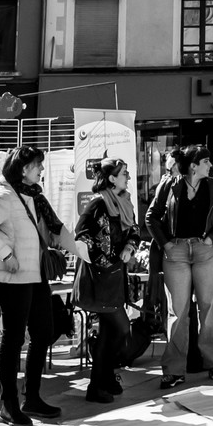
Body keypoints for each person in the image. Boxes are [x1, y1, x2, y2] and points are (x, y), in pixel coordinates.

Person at [0, 146, 78, 426]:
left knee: (43, 332)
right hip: (11, 278)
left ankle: (32, 397)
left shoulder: (32, 196)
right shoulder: (5, 196)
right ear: (22, 168)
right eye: (37, 165)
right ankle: (9, 404)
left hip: (34, 275)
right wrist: (6, 254)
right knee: (14, 338)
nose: (41, 169)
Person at [145, 145, 213, 392]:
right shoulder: (170, 185)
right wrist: (166, 244)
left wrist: (211, 237)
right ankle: (173, 371)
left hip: (205, 251)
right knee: (178, 312)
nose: (211, 165)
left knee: (208, 307)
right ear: (193, 165)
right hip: (177, 252)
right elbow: (151, 217)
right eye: (206, 161)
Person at [75, 157, 138, 402]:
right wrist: (105, 262)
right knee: (119, 328)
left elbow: (134, 229)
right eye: (124, 174)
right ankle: (98, 383)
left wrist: (129, 248)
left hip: (115, 276)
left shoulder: (124, 201)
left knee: (110, 332)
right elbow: (82, 235)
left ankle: (104, 379)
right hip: (100, 278)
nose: (128, 177)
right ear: (112, 178)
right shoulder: (97, 204)